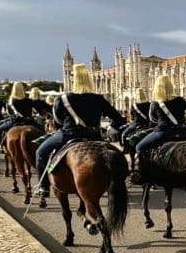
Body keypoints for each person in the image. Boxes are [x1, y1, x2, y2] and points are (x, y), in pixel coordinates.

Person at [36, 64, 125, 197]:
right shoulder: (98, 99)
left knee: (41, 152)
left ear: (73, 80)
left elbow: (57, 121)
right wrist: (109, 130)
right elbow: (119, 119)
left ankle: (44, 187)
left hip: (68, 134)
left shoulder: (63, 99)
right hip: (94, 136)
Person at [133, 75, 186, 170]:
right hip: (182, 132)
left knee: (139, 147)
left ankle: (144, 172)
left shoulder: (155, 103)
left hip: (163, 133)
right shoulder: (179, 100)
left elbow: (152, 119)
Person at [0, 83, 51, 148]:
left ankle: (0, 145)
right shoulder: (29, 100)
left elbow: (9, 113)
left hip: (16, 121)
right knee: (43, 131)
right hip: (29, 121)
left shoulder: (11, 101)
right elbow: (37, 111)